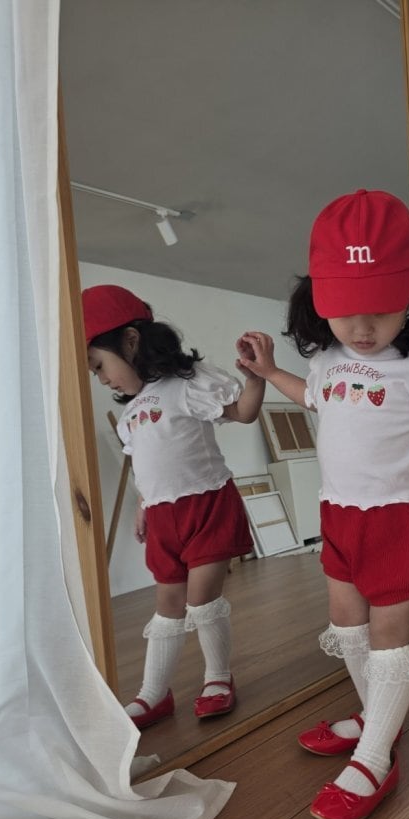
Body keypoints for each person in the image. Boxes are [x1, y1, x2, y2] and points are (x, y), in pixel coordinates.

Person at [237, 189, 409, 819]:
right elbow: (314, 398)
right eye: (344, 313)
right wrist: (270, 373)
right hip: (339, 515)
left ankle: (375, 756)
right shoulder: (330, 360)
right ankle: (374, 715)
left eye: (380, 312)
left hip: (399, 517)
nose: (361, 330)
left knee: (389, 637)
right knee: (346, 624)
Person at [82, 284, 265, 730]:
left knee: (201, 600)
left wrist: (258, 377)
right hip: (164, 518)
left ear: (130, 341)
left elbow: (242, 412)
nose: (101, 379)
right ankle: (153, 694)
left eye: (99, 365)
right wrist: (144, 505)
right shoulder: (131, 413)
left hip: (207, 506)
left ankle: (218, 678)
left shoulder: (187, 383)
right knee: (167, 602)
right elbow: (147, 465)